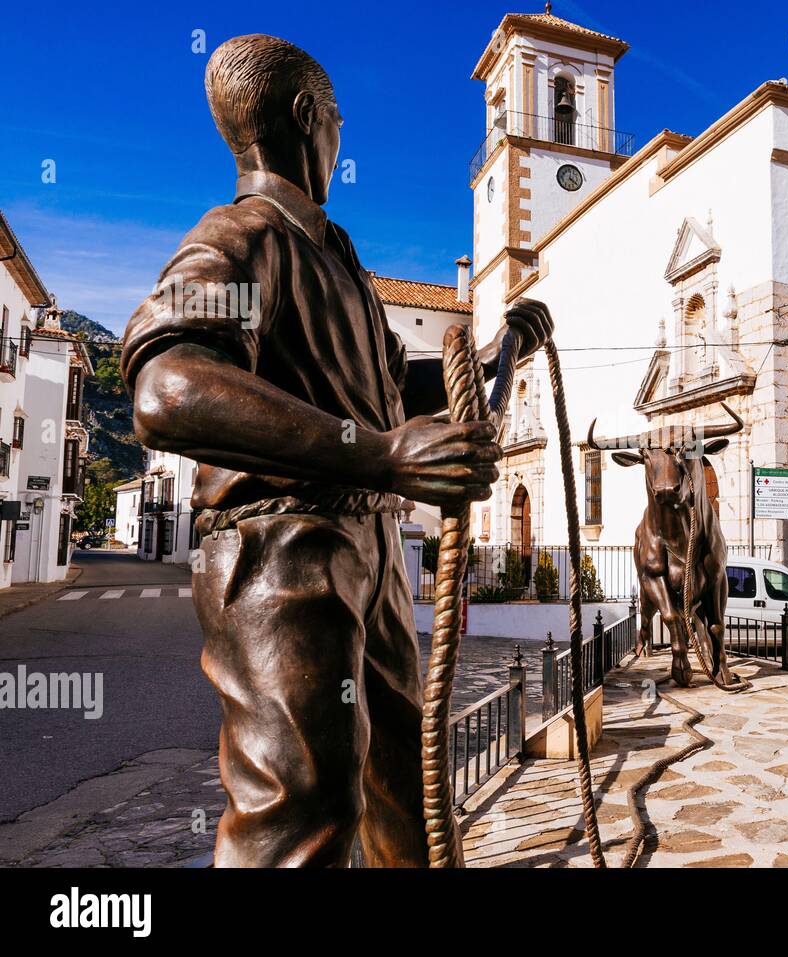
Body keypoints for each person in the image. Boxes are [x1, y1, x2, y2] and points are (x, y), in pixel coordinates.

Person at [122, 34, 552, 866]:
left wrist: (499, 356)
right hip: (283, 557)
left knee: (410, 790)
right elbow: (168, 385)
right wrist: (383, 457)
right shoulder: (243, 235)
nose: (341, 139)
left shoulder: (340, 258)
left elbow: (392, 385)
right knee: (303, 814)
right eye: (339, 122)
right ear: (309, 117)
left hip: (373, 550)